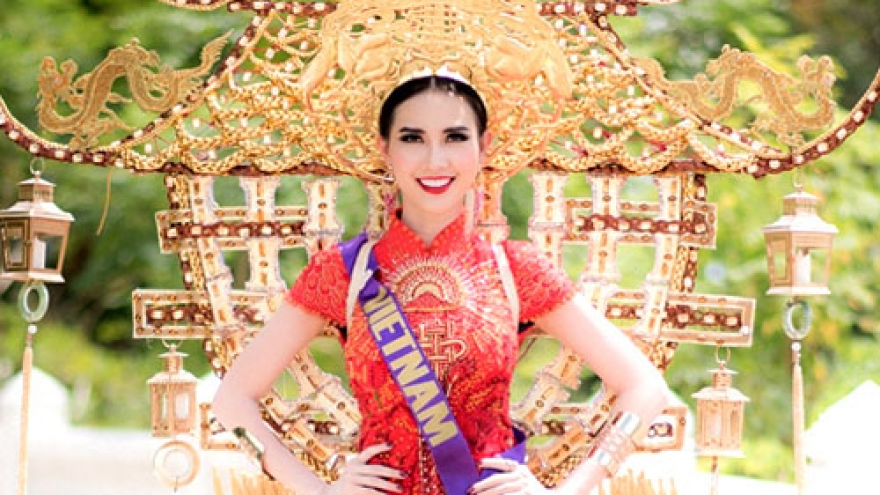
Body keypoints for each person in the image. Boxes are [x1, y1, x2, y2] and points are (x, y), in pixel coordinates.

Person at [212, 74, 671, 495]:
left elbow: (645, 388)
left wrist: (568, 491)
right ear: (384, 148)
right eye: (413, 138)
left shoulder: (516, 270)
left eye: (455, 137)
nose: (435, 159)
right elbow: (232, 400)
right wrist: (319, 491)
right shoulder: (344, 273)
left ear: (483, 147)